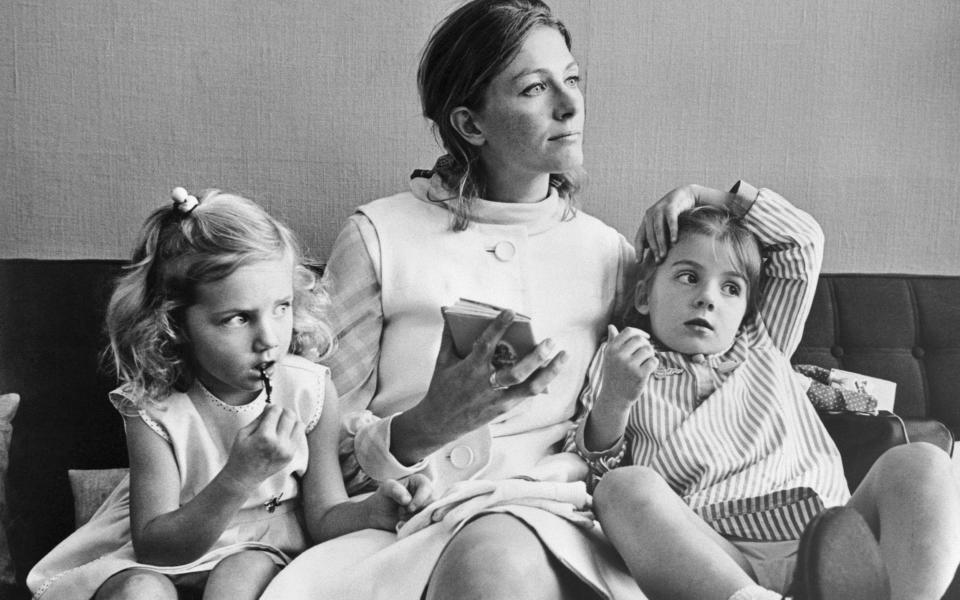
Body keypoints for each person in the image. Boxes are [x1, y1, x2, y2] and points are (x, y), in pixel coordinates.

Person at [261, 1, 644, 599]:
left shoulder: (611, 255)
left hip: (556, 521)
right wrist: (423, 427)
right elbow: (322, 448)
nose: (569, 105)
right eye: (535, 88)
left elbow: (682, 395)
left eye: (571, 79)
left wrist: (712, 201)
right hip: (406, 525)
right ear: (470, 124)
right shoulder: (379, 236)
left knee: (499, 553)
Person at [27, 188, 432, 600]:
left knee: (240, 577)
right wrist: (240, 475)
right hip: (163, 553)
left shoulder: (309, 390)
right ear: (175, 323)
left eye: (281, 307)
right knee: (140, 592)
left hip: (259, 548)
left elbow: (325, 514)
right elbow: (157, 548)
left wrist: (374, 510)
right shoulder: (154, 407)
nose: (268, 339)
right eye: (238, 318)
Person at [574, 181, 960, 600]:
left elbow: (803, 241)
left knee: (922, 461)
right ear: (645, 295)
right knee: (621, 487)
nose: (707, 298)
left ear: (745, 313)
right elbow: (592, 469)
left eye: (731, 288)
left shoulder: (762, 341)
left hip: (825, 536)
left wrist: (697, 194)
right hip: (715, 553)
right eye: (688, 277)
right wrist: (615, 397)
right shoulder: (622, 358)